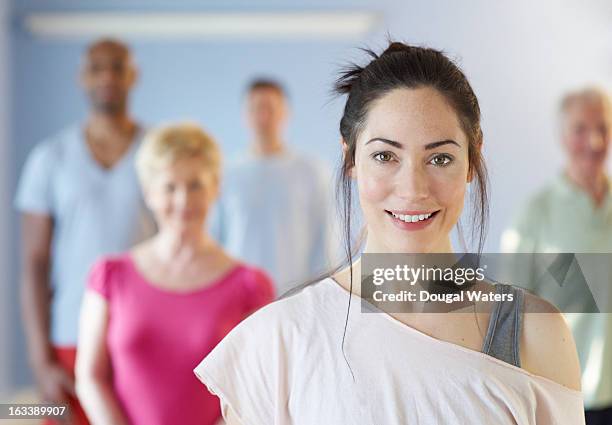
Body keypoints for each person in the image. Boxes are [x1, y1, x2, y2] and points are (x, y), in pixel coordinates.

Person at [194, 42, 585, 424]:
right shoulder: (279, 339)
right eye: (385, 156)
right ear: (351, 158)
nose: (413, 188)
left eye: (440, 158)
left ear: (471, 161)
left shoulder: (535, 333)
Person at [74, 123, 274, 425]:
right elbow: (90, 377)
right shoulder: (110, 277)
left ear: (215, 187)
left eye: (195, 184)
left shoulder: (249, 286)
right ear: (149, 193)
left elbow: (256, 389)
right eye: (170, 187)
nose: (183, 201)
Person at [15, 38, 154, 425]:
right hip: (68, 342)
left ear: (133, 75)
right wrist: (40, 360)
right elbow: (33, 265)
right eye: (97, 67)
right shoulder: (50, 159)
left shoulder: (157, 153)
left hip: (141, 342)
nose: (107, 76)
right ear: (82, 77)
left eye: (117, 66)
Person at [501, 87, 612, 424]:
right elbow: (509, 312)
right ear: (563, 137)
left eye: (603, 129)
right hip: (566, 397)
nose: (593, 141)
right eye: (580, 129)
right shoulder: (535, 214)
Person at [209, 79, 338, 296]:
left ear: (285, 113)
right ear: (245, 115)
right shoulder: (225, 174)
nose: (263, 116)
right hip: (239, 298)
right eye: (256, 108)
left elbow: (325, 240)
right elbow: (214, 241)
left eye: (270, 107)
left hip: (295, 295)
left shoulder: (312, 171)